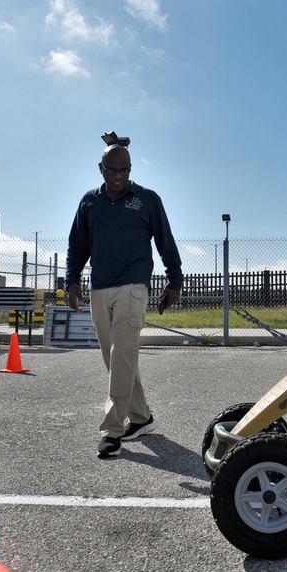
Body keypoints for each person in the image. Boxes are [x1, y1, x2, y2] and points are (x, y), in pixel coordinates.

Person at [65, 141, 183, 459]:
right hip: (99, 286)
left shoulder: (147, 200)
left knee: (122, 353)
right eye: (112, 170)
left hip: (134, 286)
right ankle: (142, 418)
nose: (119, 176)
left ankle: (113, 430)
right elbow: (77, 244)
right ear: (101, 169)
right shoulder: (89, 202)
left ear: (131, 168)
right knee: (115, 358)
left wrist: (175, 279)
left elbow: (165, 241)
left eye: (125, 169)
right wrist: (72, 281)